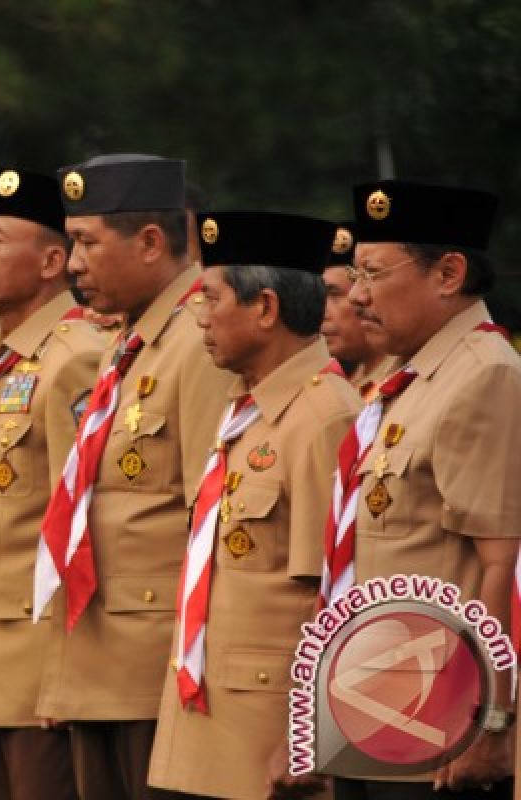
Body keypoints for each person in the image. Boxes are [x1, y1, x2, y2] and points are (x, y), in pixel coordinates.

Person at [33, 154, 231, 800]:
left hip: (155, 669)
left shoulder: (200, 340)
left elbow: (211, 523)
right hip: (99, 661)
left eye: (87, 242)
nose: (73, 263)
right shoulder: (132, 339)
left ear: (151, 242)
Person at [147, 211, 361, 799]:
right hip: (208, 713)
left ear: (265, 308)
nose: (200, 319)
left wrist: (308, 733)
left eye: (210, 300)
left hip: (264, 730)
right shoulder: (249, 409)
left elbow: (334, 595)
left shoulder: (324, 416)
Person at [327, 181, 519, 799]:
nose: (357, 296)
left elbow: (504, 567)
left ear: (449, 273)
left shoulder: (484, 375)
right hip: (372, 701)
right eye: (355, 275)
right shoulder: (405, 377)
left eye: (374, 273)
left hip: (436, 718)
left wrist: (490, 721)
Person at [0, 167, 105, 800]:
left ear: (50, 262)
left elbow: (77, 526)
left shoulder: (75, 357)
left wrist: (65, 676)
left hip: (36, 661)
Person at [319, 223, 395, 399]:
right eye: (320, 296)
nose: (322, 313)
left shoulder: (400, 380)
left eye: (335, 294)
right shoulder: (346, 383)